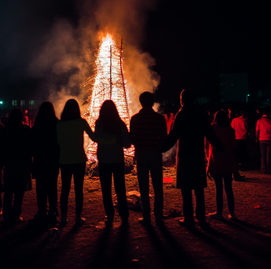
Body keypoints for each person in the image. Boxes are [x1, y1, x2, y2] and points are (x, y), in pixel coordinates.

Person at [163, 90, 223, 230]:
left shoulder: (181, 115)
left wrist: (161, 148)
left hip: (184, 156)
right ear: (194, 100)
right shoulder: (199, 115)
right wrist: (220, 148)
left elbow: (173, 136)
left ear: (182, 100)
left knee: (186, 189)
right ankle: (200, 217)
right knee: (198, 188)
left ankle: (189, 218)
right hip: (197, 155)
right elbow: (211, 134)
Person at [57, 99, 115, 227]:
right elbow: (94, 138)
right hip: (78, 159)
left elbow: (57, 142)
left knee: (65, 190)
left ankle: (64, 218)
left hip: (64, 160)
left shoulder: (59, 124)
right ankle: (77, 217)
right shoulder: (81, 122)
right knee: (78, 189)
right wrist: (111, 141)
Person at [130, 92, 167, 226]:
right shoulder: (159, 119)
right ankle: (158, 216)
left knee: (143, 187)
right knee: (158, 186)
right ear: (152, 103)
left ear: (141, 102)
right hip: (155, 154)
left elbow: (132, 138)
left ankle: (146, 216)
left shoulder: (135, 119)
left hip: (142, 154)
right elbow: (163, 138)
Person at [95, 100, 130, 226]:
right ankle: (124, 216)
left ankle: (109, 216)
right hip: (117, 160)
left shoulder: (99, 123)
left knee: (106, 189)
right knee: (120, 189)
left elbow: (96, 138)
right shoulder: (120, 124)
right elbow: (127, 144)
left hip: (104, 160)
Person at [1, 108, 32, 223]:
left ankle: (6, 214)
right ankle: (16, 214)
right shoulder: (26, 129)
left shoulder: (6, 130)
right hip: (22, 162)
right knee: (19, 190)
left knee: (8, 190)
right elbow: (31, 146)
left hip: (9, 162)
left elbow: (2, 146)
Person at [32, 102, 60, 227]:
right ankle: (53, 211)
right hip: (53, 159)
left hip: (40, 159)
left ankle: (41, 210)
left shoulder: (37, 123)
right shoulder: (56, 123)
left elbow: (33, 142)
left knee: (41, 188)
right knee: (52, 187)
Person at [207, 110, 237, 219]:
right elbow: (233, 147)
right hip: (227, 161)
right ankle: (232, 213)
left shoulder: (212, 129)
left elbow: (208, 144)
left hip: (215, 161)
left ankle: (219, 212)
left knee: (218, 188)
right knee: (229, 188)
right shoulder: (230, 130)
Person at [231, 111, 248, 180]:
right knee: (242, 152)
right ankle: (242, 165)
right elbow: (247, 129)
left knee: (236, 153)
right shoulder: (245, 121)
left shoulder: (234, 120)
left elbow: (232, 128)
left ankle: (238, 165)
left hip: (236, 137)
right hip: (243, 137)